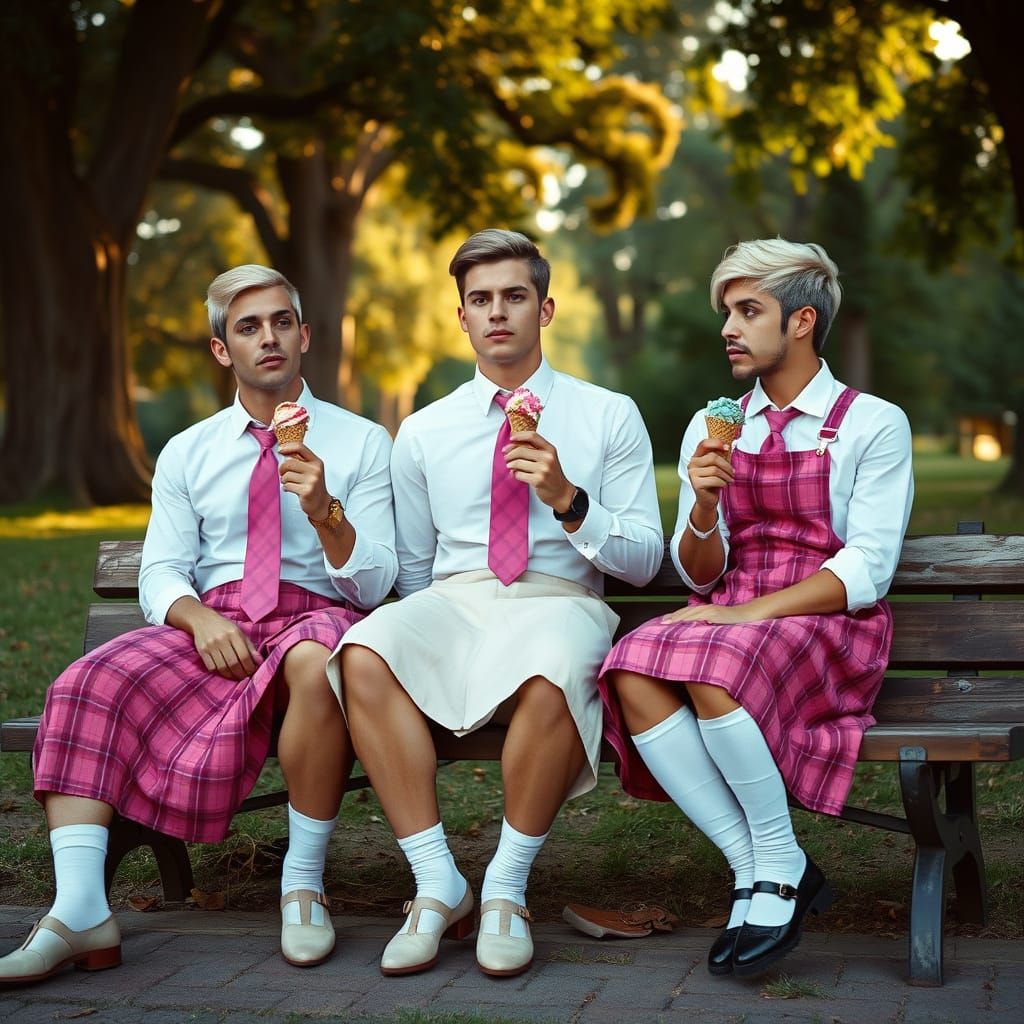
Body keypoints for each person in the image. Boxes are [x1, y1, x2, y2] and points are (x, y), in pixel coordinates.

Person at [0, 265, 397, 985]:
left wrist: (325, 510)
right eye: (247, 327)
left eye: (281, 322)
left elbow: (376, 584)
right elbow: (161, 571)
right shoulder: (189, 450)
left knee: (316, 661)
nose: (267, 338)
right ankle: (80, 908)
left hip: (320, 617)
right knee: (87, 681)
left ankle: (302, 885)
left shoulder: (365, 442)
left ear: (304, 336)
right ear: (223, 351)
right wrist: (199, 617)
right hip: (218, 623)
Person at [328, 229, 663, 979]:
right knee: (364, 652)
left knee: (555, 666)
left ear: (545, 308)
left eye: (514, 296)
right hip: (460, 600)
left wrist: (568, 500)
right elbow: (413, 572)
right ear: (462, 318)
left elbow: (644, 561)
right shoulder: (424, 430)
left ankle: (507, 891)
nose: (497, 312)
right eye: (480, 299)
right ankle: (437, 884)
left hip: (560, 599)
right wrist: (435, 640)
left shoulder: (607, 414)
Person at [599, 238, 914, 977]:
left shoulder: (871, 423)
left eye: (749, 311)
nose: (728, 329)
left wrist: (747, 616)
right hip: (735, 617)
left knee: (718, 659)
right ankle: (765, 864)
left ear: (802, 321)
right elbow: (700, 573)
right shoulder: (715, 427)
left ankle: (772, 867)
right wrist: (704, 504)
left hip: (829, 622)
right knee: (629, 667)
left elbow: (868, 565)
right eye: (727, 312)